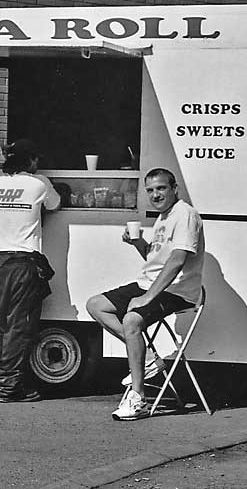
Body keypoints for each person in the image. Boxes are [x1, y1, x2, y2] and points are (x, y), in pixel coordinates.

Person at [86, 168, 204, 420]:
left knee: (132, 320)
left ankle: (138, 398)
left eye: (161, 188)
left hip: (178, 290)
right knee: (96, 305)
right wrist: (138, 243)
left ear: (175, 189)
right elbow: (156, 259)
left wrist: (147, 297)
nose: (155, 194)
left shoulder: (185, 214)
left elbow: (177, 261)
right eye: (150, 190)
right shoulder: (163, 217)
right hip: (150, 283)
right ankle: (149, 360)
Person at [0, 139, 61, 402]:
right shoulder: (39, 183)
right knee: (18, 326)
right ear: (31, 160)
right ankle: (10, 387)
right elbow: (55, 205)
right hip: (24, 261)